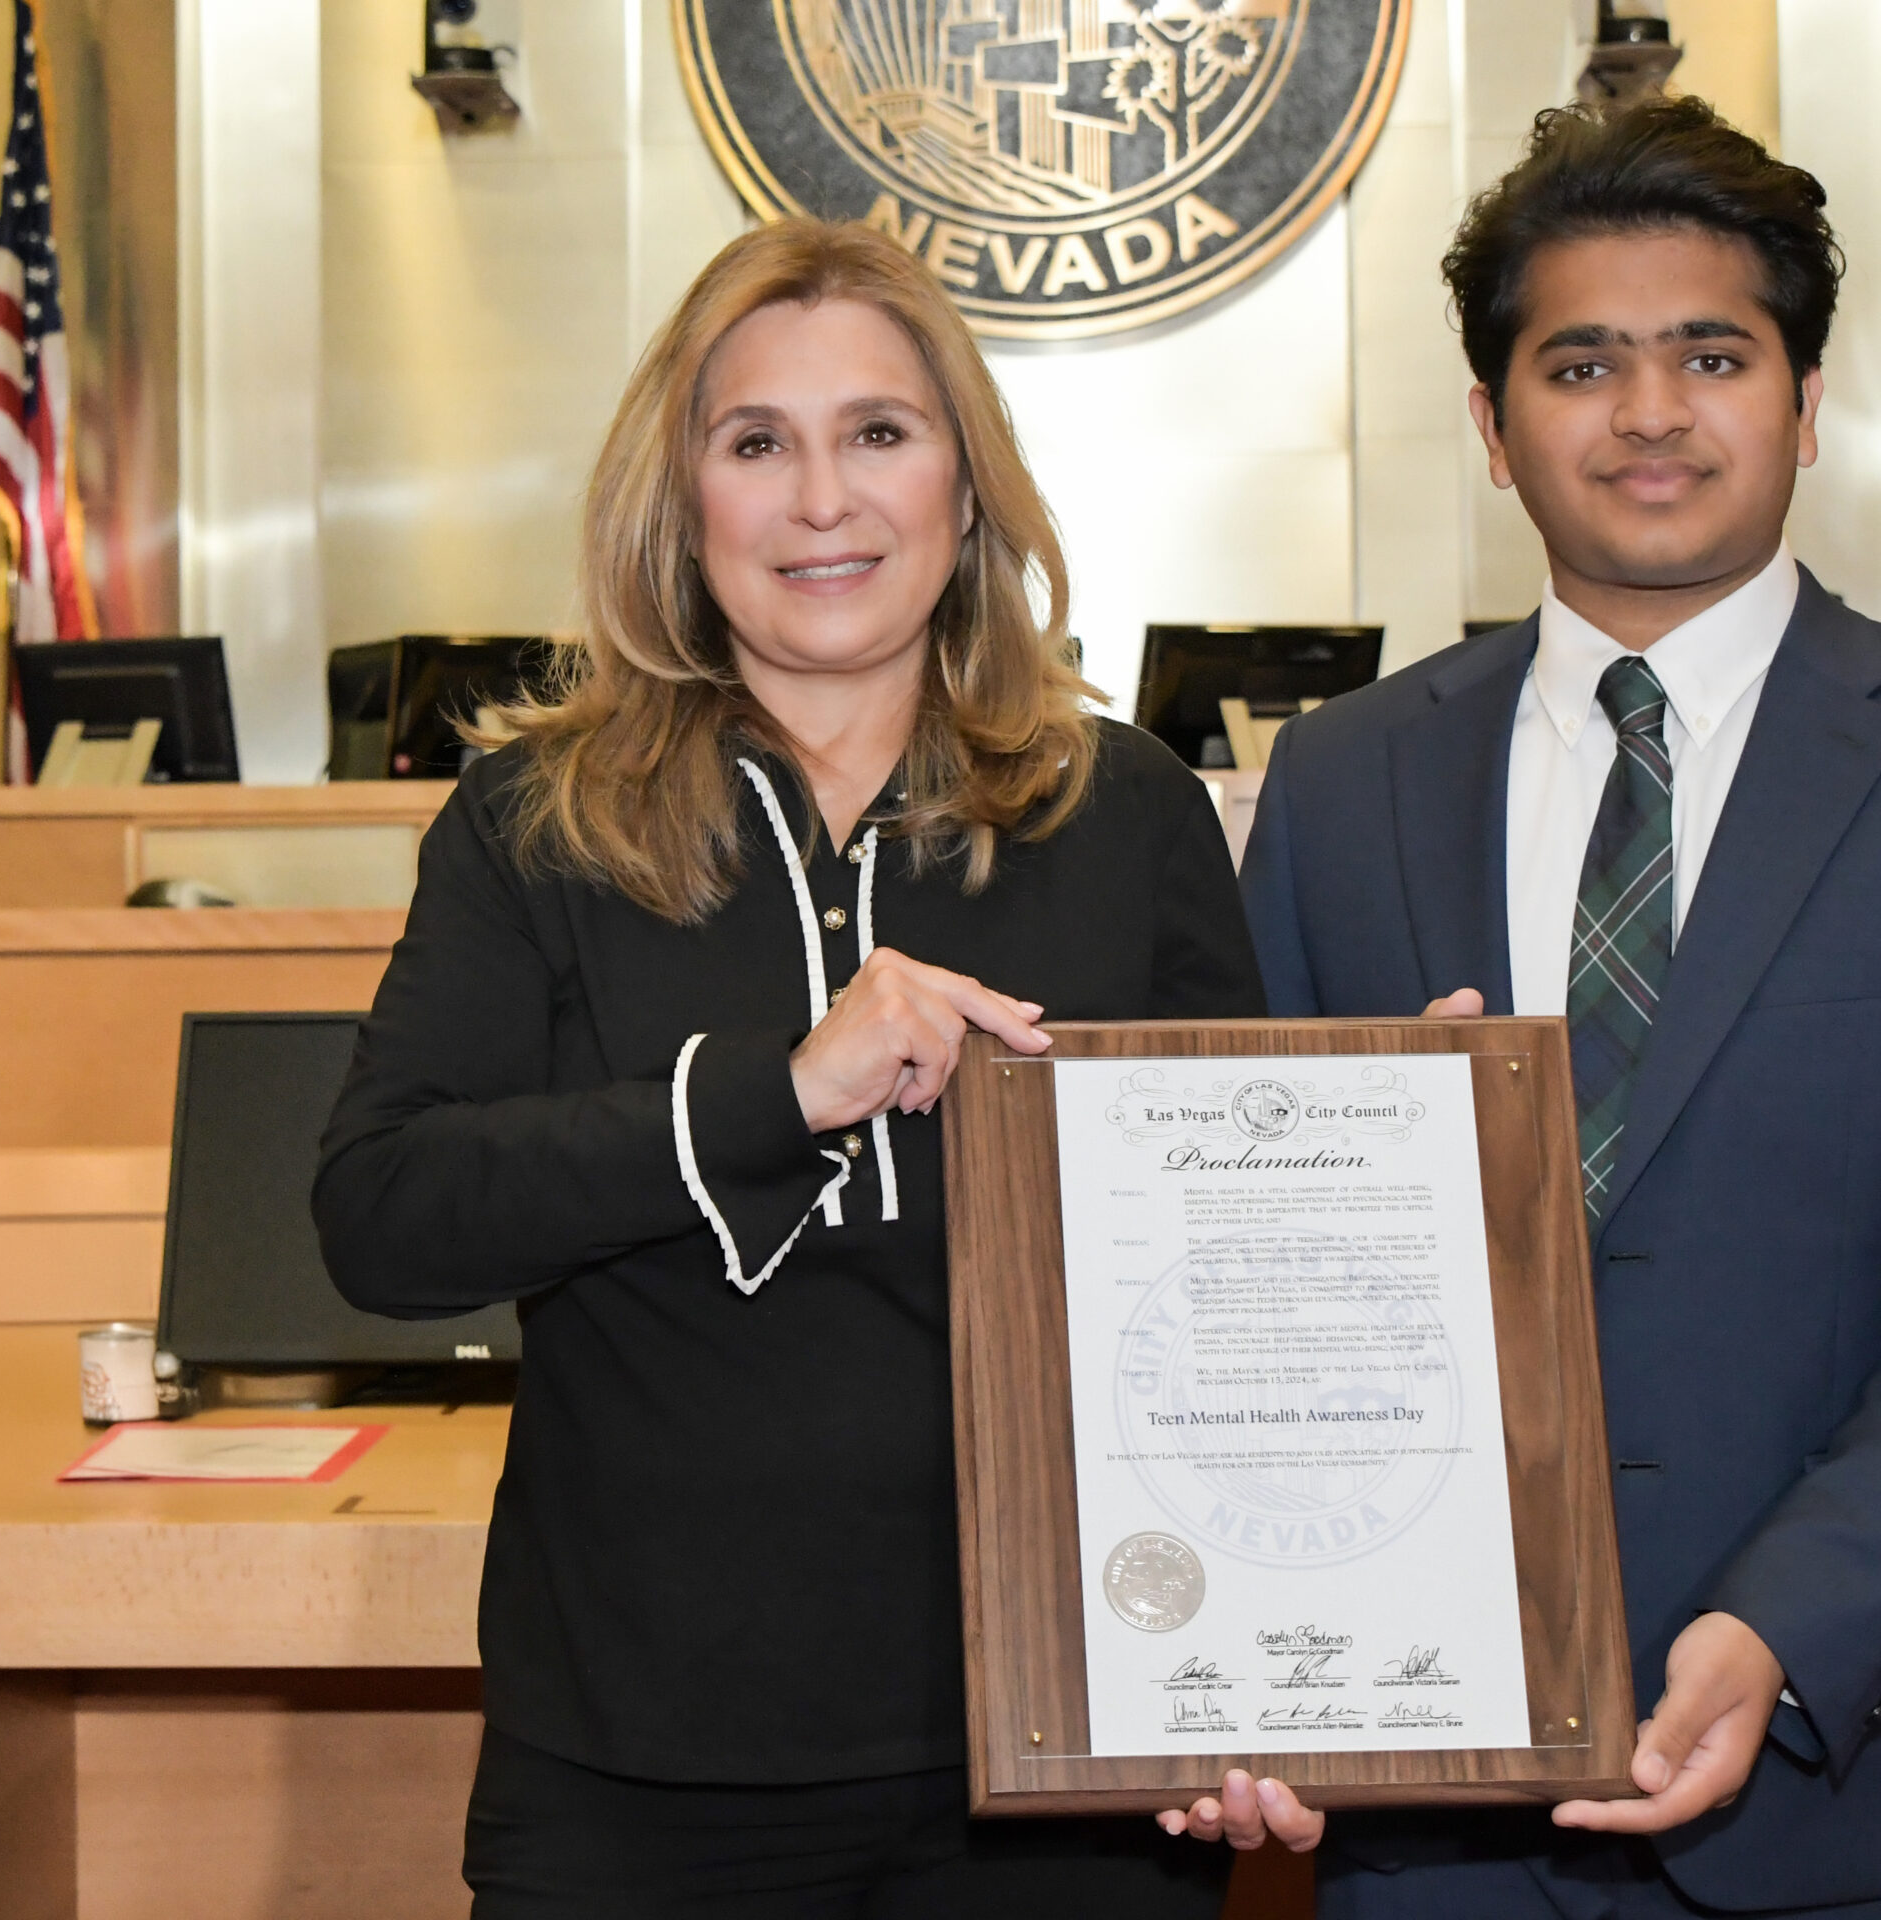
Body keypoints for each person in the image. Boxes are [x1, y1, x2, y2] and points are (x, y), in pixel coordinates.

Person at [1180, 97, 1881, 1918]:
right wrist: (1255, 1662)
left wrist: (1783, 1626)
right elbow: (1255, 1291)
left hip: (1880, 1786)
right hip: (1436, 1804)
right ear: (1493, 429)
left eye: (1712, 354)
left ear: (1804, 401)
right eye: (1582, 364)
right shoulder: (1342, 782)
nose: (1650, 412)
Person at [314, 219, 1256, 1918]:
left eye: (879, 434)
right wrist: (775, 1090)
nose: (824, 500)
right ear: (683, 504)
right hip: (635, 1770)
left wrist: (1368, 1156)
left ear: (966, 490)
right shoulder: (533, 826)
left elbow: (1230, 1299)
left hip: (1057, 1752)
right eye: (758, 444)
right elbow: (383, 1218)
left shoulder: (1127, 813)